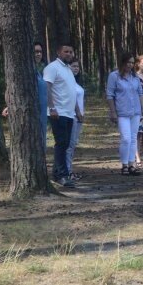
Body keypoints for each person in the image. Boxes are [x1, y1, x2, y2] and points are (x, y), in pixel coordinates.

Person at [43, 43, 81, 188]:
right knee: (62, 143)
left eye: (71, 52)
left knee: (65, 144)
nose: (69, 54)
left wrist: (77, 111)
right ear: (59, 52)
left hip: (69, 113)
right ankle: (63, 176)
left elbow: (72, 91)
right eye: (66, 51)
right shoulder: (52, 68)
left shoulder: (68, 69)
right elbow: (47, 87)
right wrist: (52, 107)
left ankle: (57, 173)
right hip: (58, 112)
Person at [1, 41, 47, 152]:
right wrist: (9, 105)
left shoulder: (39, 72)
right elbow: (13, 89)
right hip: (30, 113)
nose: (38, 54)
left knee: (41, 139)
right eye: (35, 52)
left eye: (40, 52)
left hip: (42, 113)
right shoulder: (25, 71)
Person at [106, 51, 143, 176]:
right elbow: (110, 95)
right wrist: (113, 112)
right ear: (123, 62)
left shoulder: (135, 78)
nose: (130, 65)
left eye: (132, 63)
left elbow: (140, 94)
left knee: (133, 138)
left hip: (135, 112)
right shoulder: (114, 76)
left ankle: (131, 165)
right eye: (128, 62)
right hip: (122, 112)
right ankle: (124, 165)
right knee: (126, 139)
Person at [65, 60, 85, 181]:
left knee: (73, 144)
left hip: (79, 118)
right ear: (68, 67)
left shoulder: (76, 83)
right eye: (73, 66)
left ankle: (69, 169)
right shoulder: (67, 82)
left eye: (78, 66)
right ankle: (67, 171)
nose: (76, 68)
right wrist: (77, 112)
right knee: (69, 144)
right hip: (71, 116)